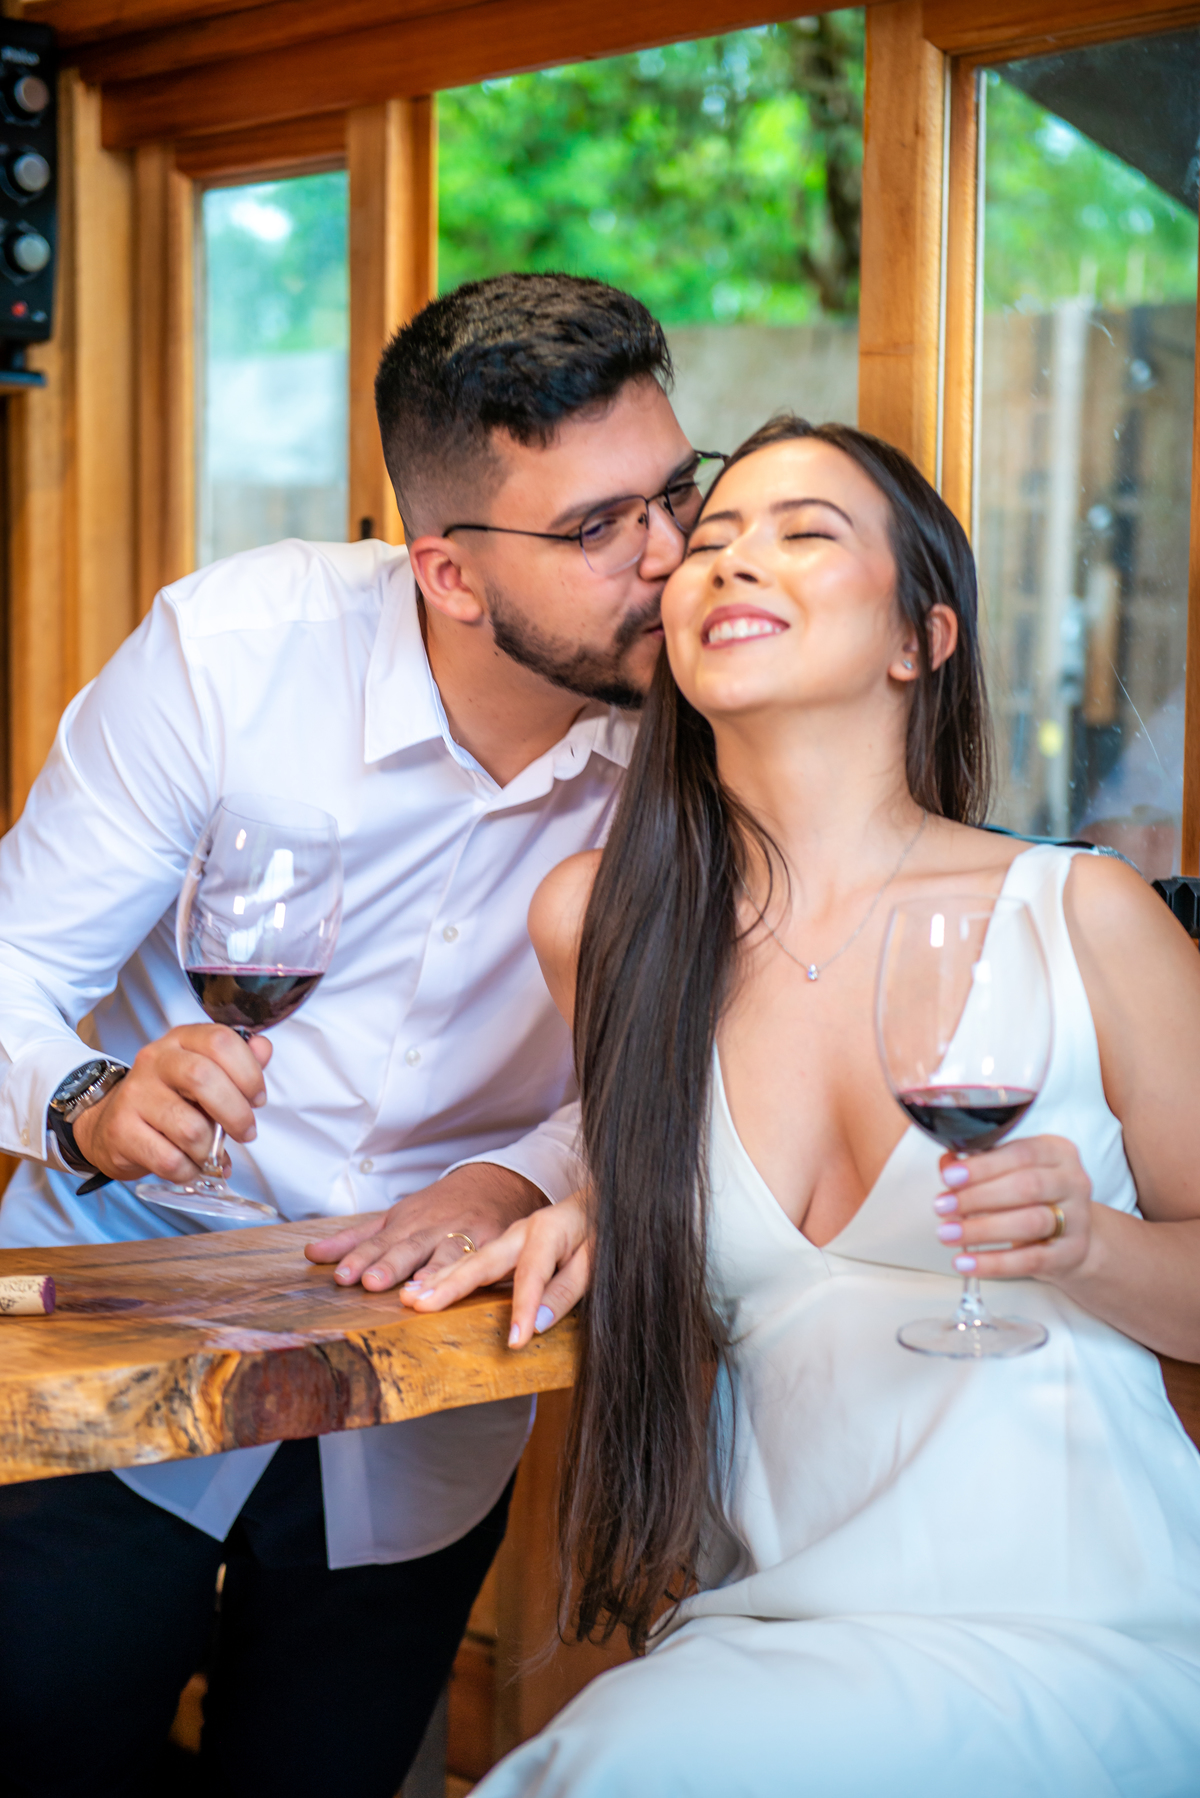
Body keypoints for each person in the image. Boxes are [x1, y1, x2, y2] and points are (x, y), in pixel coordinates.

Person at [0, 273, 720, 1798]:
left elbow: (704, 1051)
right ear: (448, 572)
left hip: (431, 1384)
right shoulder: (234, 652)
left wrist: (524, 1175)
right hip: (129, 1335)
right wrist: (85, 1096)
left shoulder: (710, 719)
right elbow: (11, 953)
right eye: (600, 528)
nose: (669, 561)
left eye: (676, 494)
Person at [408, 416, 1200, 1796]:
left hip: (1091, 1612)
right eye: (708, 542)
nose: (728, 563)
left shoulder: (1085, 916)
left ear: (921, 640)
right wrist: (592, 1205)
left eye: (802, 533)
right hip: (774, 1622)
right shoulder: (603, 927)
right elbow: (645, 1176)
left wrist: (1090, 1243)